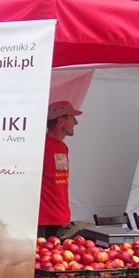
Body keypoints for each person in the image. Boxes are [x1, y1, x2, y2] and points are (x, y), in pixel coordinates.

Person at [38, 100, 82, 239]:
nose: (76, 122)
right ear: (61, 121)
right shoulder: (41, 146)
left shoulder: (62, 147)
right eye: (72, 117)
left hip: (58, 218)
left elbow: (58, 179)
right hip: (42, 220)